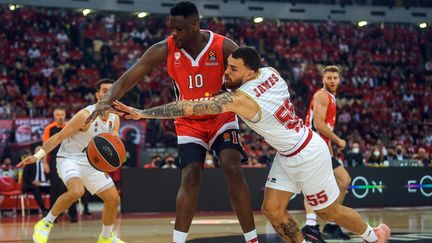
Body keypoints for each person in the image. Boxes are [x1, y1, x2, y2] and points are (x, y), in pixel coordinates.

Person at [112, 47, 391, 243]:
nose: (226, 73)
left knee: (328, 212)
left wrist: (143, 113)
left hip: (308, 153)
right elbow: (242, 82)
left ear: (249, 72)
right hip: (287, 153)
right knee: (272, 210)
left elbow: (189, 107)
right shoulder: (270, 72)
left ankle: (372, 235)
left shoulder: (242, 100)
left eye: (233, 69)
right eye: (226, 66)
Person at [86, 2, 258, 243]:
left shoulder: (223, 46)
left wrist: (238, 95)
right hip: (188, 121)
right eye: (171, 28)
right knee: (190, 176)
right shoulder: (163, 49)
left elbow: (250, 78)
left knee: (232, 167)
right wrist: (105, 100)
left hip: (221, 116)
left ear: (195, 25)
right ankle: (178, 241)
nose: (173, 33)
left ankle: (252, 239)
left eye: (179, 28)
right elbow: (129, 77)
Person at [17, 79, 124, 243]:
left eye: (111, 90)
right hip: (69, 158)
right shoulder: (85, 116)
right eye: (104, 90)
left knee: (113, 199)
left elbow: (114, 138)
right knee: (77, 191)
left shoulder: (114, 118)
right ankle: (45, 223)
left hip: (91, 162)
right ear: (97, 95)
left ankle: (106, 237)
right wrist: (38, 156)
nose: (108, 93)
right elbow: (59, 136)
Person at [302, 65, 351, 242]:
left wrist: (330, 146)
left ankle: (330, 223)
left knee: (343, 181)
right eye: (329, 77)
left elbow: (323, 129)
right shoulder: (322, 95)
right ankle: (311, 225)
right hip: (312, 146)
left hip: (321, 146)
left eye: (335, 78)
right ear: (323, 79)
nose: (332, 81)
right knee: (313, 186)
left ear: (339, 79)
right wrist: (339, 141)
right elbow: (319, 125)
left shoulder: (330, 97)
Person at [42, 106, 78, 223]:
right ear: (54, 116)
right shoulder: (49, 128)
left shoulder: (69, 126)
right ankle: (55, 216)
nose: (60, 117)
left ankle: (73, 214)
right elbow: (45, 147)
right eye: (58, 115)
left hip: (69, 160)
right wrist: (45, 164)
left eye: (62, 114)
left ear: (65, 115)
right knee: (55, 189)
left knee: (71, 188)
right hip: (54, 162)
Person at [22, 146, 50, 216]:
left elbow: (50, 175)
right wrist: (33, 181)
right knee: (35, 188)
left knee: (55, 189)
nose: (39, 151)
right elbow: (25, 175)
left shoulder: (47, 163)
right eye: (37, 150)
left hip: (45, 184)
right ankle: (44, 210)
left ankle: (53, 210)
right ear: (34, 153)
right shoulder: (30, 162)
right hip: (33, 184)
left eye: (41, 150)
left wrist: (49, 176)